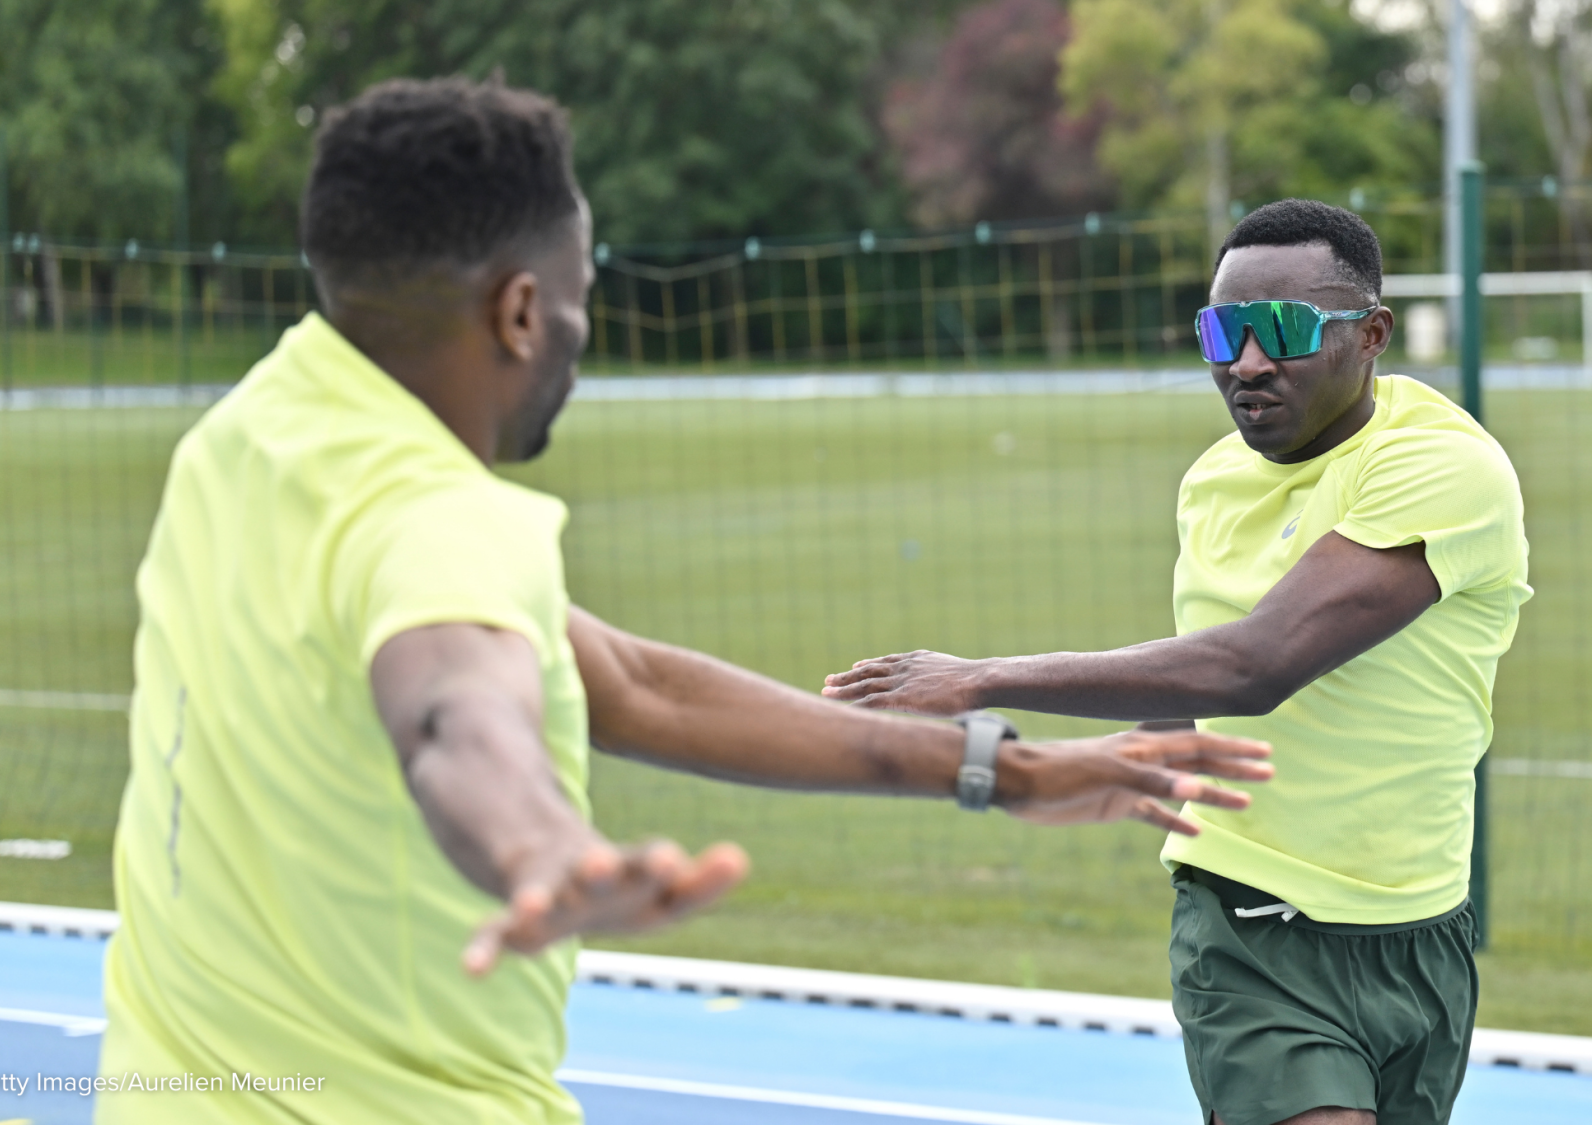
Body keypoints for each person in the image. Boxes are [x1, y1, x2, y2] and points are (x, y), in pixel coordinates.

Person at [94, 78, 1271, 1124]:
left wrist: (997, 768)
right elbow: (457, 710)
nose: (579, 332)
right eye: (580, 296)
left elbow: (627, 684)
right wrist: (538, 844)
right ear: (518, 311)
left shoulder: (244, 442)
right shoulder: (443, 521)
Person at [825, 199, 1530, 1125]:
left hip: (1421, 927)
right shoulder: (1211, 483)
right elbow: (1199, 685)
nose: (1247, 363)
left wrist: (980, 675)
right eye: (1222, 332)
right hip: (1251, 924)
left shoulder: (1444, 467)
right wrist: (1071, 768)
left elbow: (1256, 664)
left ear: (1371, 335)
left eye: (1282, 329)